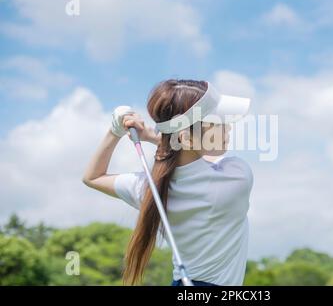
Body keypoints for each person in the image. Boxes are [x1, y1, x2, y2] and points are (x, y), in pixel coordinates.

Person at [82, 79, 253, 286]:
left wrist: (115, 131)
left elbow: (92, 177)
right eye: (218, 123)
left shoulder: (149, 187)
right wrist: (155, 137)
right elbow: (202, 160)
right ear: (187, 138)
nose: (229, 128)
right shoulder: (238, 176)